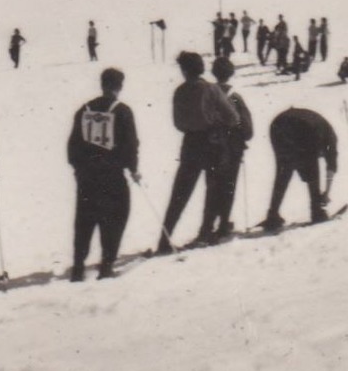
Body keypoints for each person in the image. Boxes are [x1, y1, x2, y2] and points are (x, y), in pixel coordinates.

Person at [157, 51, 239, 253]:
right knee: (213, 188)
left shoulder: (179, 91)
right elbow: (233, 117)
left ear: (185, 70)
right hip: (213, 143)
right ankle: (206, 232)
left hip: (190, 143)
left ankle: (164, 239)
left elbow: (178, 123)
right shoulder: (211, 89)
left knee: (180, 192)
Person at [66, 68, 139, 281]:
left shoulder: (85, 109)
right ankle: (107, 264)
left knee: (85, 219)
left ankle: (78, 266)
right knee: (116, 216)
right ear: (120, 86)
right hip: (112, 175)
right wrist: (133, 168)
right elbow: (130, 144)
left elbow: (73, 144)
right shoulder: (122, 111)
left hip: (87, 175)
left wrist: (79, 168)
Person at [261, 107, 337, 228]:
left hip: (278, 123)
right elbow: (331, 167)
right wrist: (326, 193)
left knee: (283, 170)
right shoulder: (330, 140)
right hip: (304, 127)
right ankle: (317, 212)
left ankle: (272, 215)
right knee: (312, 171)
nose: (320, 156)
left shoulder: (323, 133)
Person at [207, 59, 253, 240]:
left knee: (213, 186)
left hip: (212, 147)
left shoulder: (208, 95)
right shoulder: (235, 96)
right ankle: (224, 223)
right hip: (232, 148)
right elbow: (248, 129)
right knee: (228, 186)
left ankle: (209, 224)